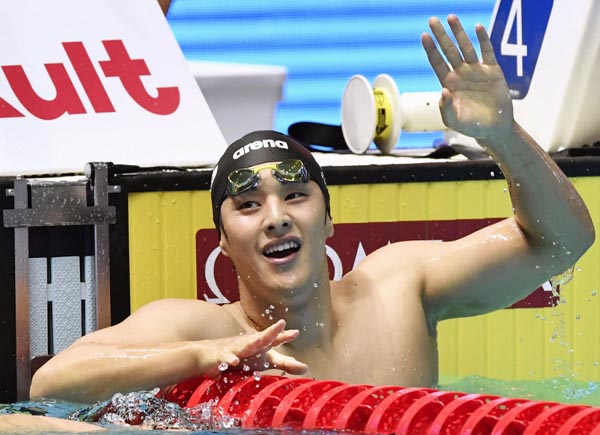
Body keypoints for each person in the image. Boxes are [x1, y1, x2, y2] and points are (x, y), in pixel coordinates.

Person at [29, 15, 594, 404]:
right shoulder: (204, 328)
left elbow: (564, 241)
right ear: (222, 239)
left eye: (295, 195)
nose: (276, 216)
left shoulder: (398, 290)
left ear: (327, 220)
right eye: (248, 204)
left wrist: (502, 136)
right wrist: (204, 356)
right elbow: (51, 383)